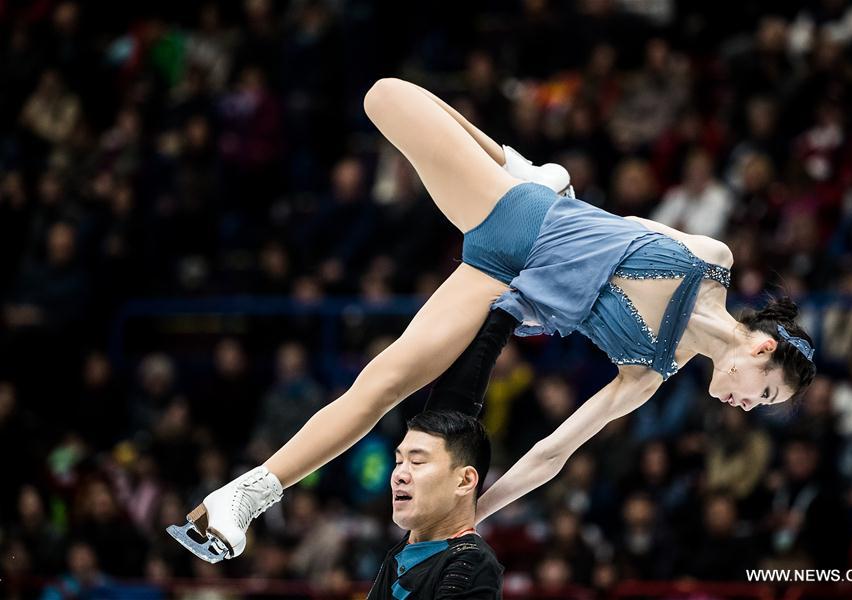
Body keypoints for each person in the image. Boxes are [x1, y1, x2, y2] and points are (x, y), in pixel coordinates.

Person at [168, 77, 816, 563]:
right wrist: (534, 185)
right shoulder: (712, 260)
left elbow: (552, 454)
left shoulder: (649, 373)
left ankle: (242, 500)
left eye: (761, 407)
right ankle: (527, 168)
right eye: (764, 394)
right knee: (382, 95)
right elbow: (623, 228)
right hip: (522, 215)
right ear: (759, 349)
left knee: (386, 382)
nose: (747, 406)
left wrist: (472, 516)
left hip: (504, 282)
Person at [368, 410, 503, 599]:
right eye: (398, 461)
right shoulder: (404, 551)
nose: (398, 475)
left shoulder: (470, 562)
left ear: (464, 481)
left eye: (417, 461)